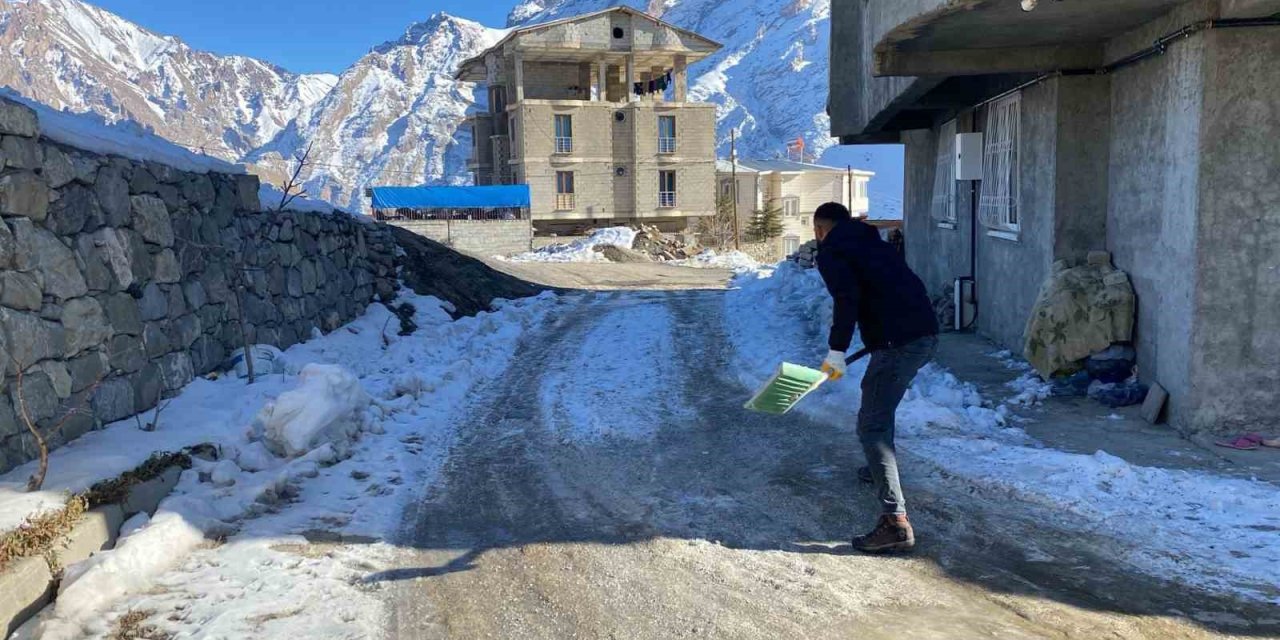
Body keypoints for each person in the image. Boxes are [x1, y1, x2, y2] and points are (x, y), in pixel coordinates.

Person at [812, 203, 938, 553]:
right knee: (878, 402)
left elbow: (846, 300)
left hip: (899, 344)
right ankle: (879, 469)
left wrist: (836, 349)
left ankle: (895, 522)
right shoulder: (873, 242)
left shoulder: (833, 251)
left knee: (872, 426)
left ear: (820, 229)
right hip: (925, 333)